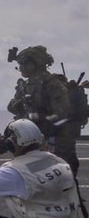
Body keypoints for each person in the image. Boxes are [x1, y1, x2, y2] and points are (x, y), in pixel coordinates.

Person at [6, 45, 80, 176]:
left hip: (57, 137)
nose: (20, 68)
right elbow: (10, 106)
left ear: (31, 65)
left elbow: (63, 112)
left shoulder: (53, 84)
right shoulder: (26, 85)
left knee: (64, 174)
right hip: (34, 139)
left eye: (22, 64)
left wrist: (42, 119)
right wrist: (17, 105)